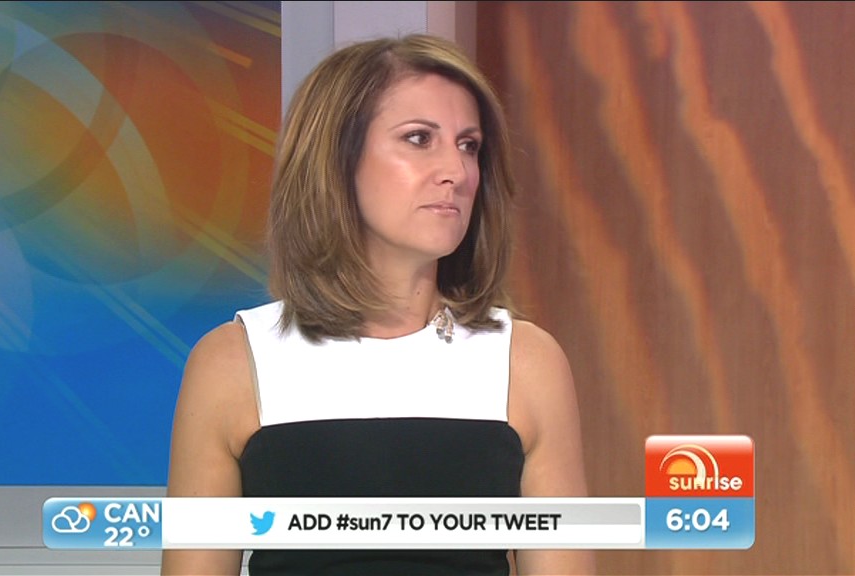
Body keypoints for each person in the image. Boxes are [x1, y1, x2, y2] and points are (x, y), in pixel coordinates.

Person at [162, 34, 593, 576]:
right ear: (337, 160)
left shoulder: (526, 362)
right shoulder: (233, 363)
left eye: (468, 145)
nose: (456, 172)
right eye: (419, 139)